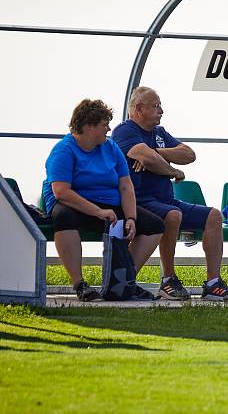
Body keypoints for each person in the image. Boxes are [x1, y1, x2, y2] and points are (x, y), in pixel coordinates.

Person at [112, 87, 228, 301]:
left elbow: (189, 154)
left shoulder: (160, 133)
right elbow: (146, 158)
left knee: (214, 215)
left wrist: (156, 153)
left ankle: (213, 284)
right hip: (140, 202)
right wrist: (173, 170)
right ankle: (168, 280)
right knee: (173, 214)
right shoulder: (124, 130)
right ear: (139, 109)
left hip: (166, 200)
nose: (162, 111)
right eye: (156, 106)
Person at [42, 99, 164, 301]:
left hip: (108, 205)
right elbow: (61, 192)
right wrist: (97, 212)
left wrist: (132, 218)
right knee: (64, 218)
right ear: (88, 127)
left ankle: (123, 281)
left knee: (154, 225)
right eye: (104, 125)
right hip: (73, 203)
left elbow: (125, 186)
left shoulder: (111, 147)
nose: (108, 129)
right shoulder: (63, 150)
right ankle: (79, 284)